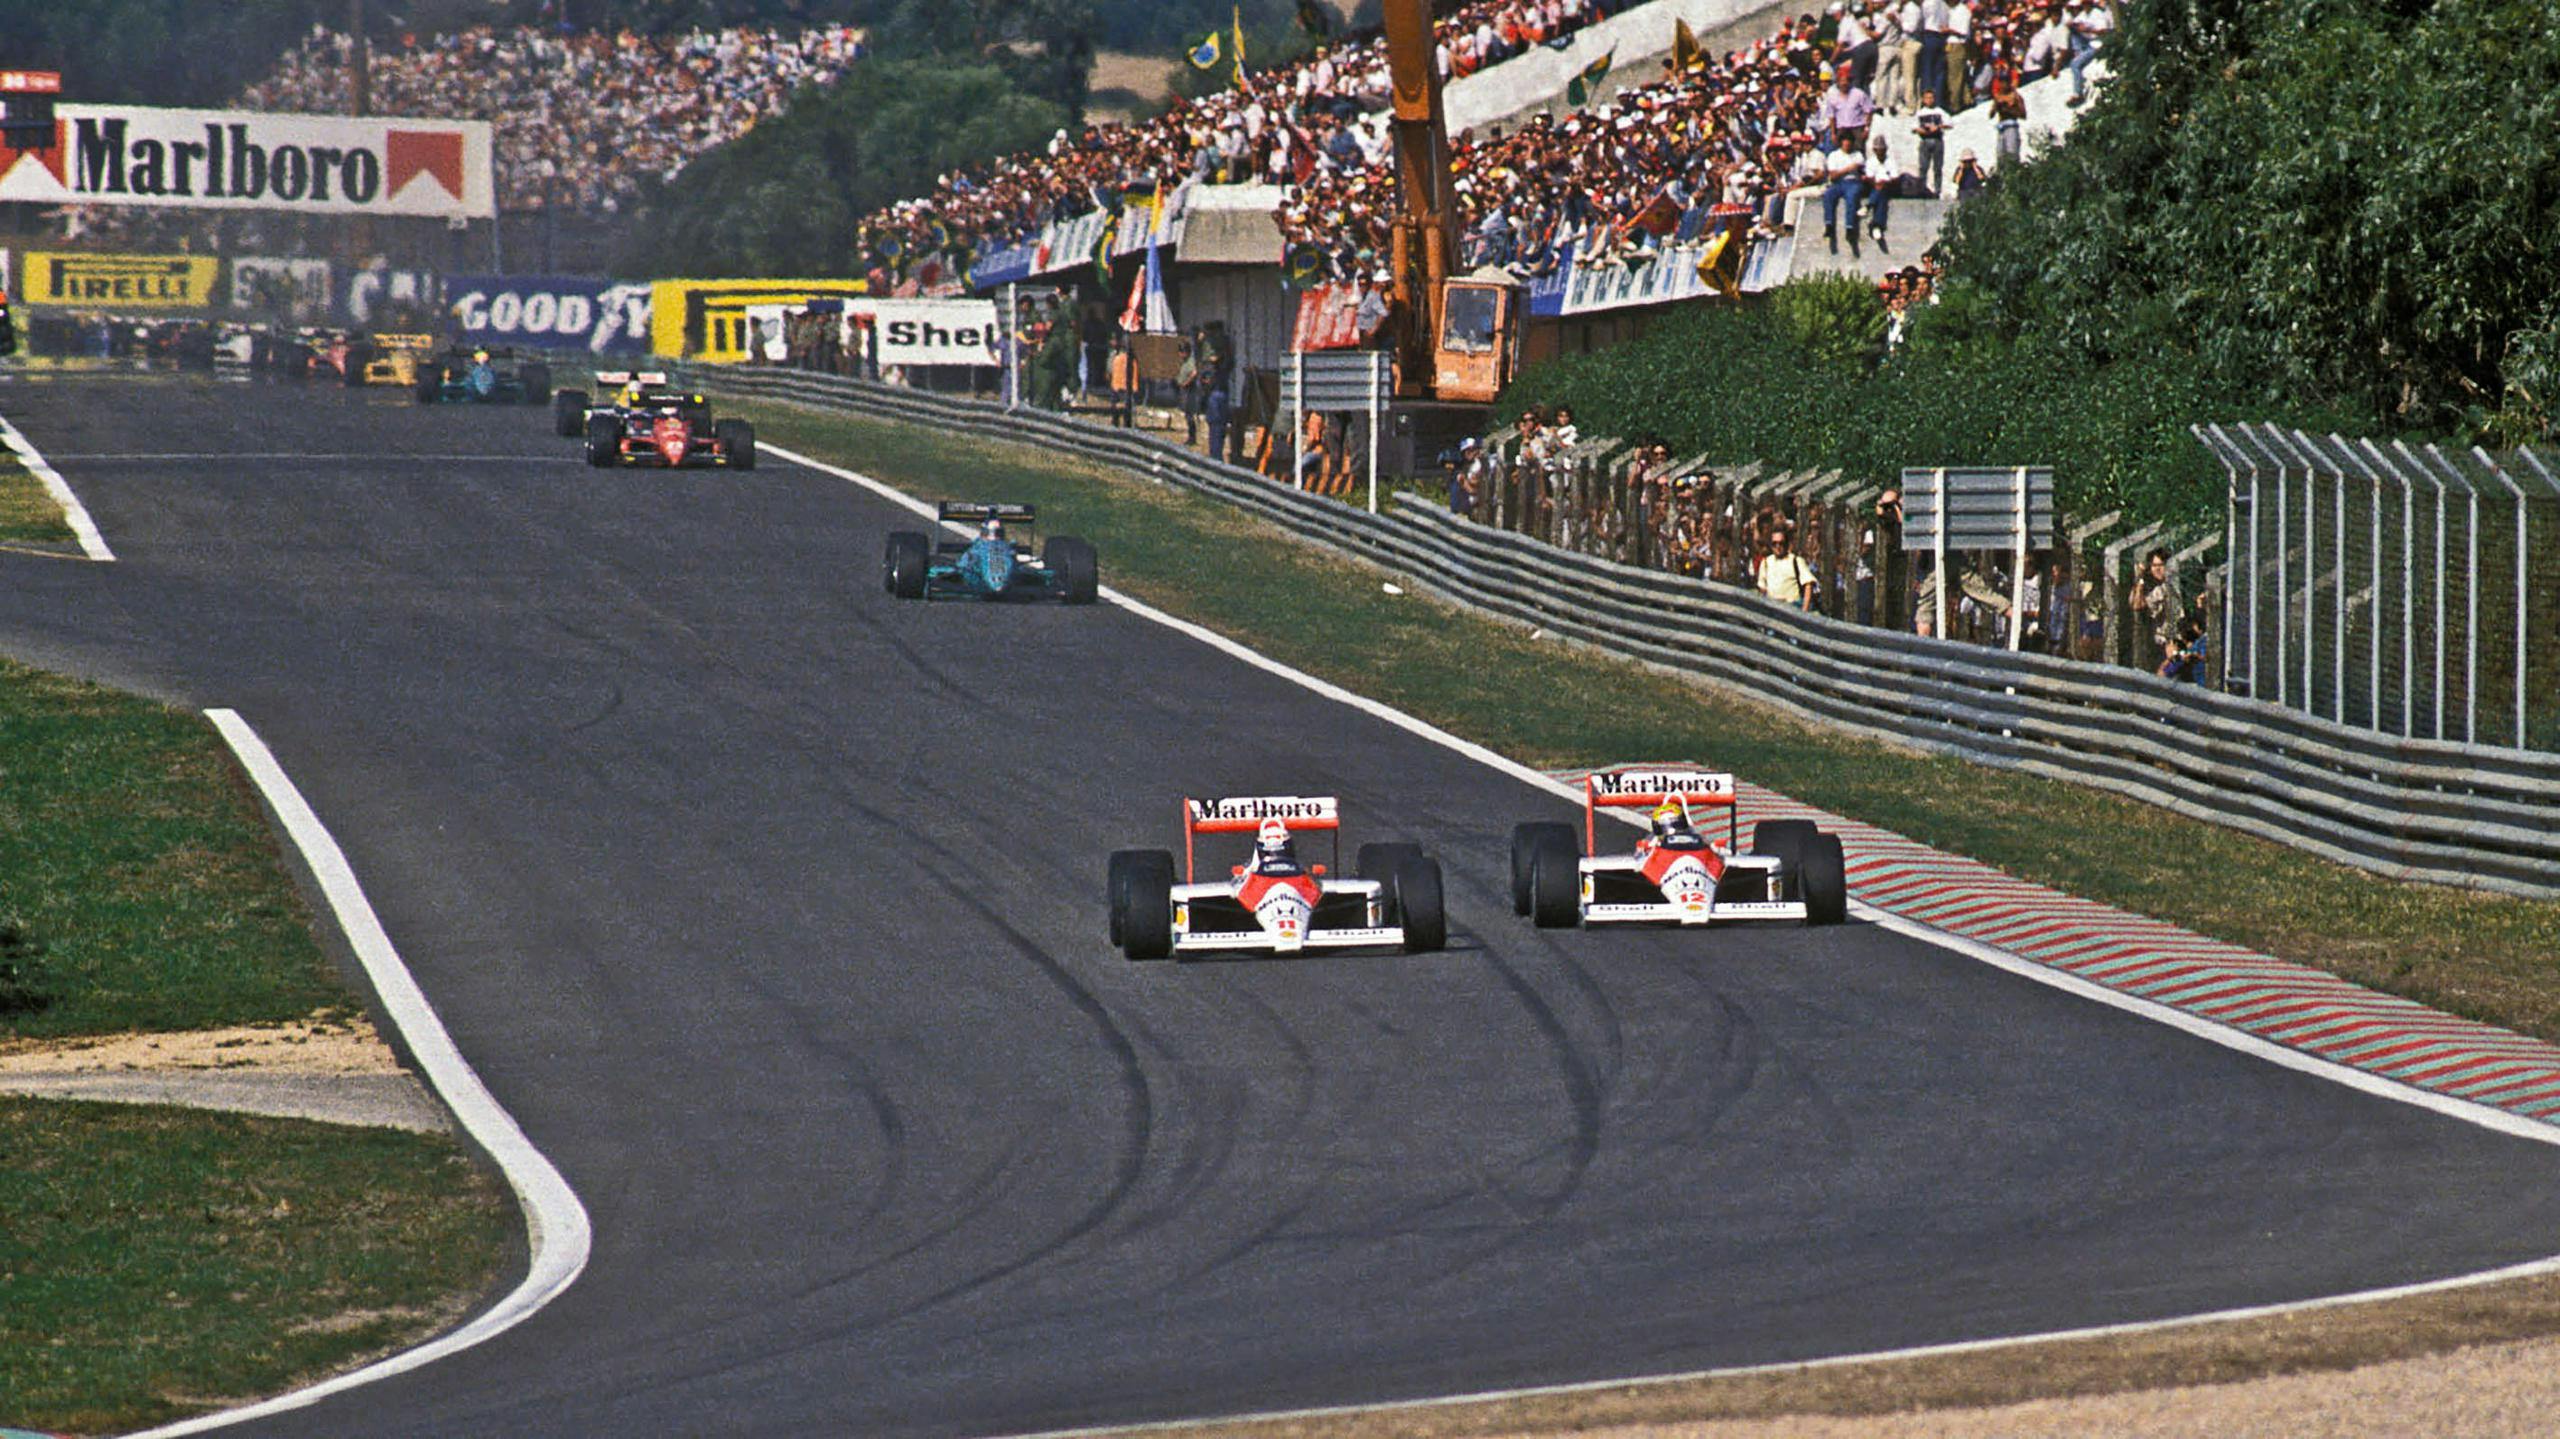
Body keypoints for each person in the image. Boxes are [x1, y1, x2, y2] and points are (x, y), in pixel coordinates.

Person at [1756, 529, 1818, 609]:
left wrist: (1804, 611)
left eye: (1781, 543)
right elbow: (1762, 589)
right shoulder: (1766, 562)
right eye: (1774, 543)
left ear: (1786, 544)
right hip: (1772, 607)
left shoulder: (1796, 561)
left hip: (1792, 606)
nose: (1778, 546)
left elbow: (1808, 585)